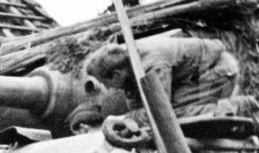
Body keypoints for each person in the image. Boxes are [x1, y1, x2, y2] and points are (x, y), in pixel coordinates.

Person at [83, 37, 250, 123]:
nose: (109, 88)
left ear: (116, 75)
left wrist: (122, 119)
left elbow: (159, 111)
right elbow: (138, 108)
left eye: (106, 83)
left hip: (217, 71)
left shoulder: (151, 63)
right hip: (193, 76)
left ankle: (237, 107)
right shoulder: (127, 67)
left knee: (170, 113)